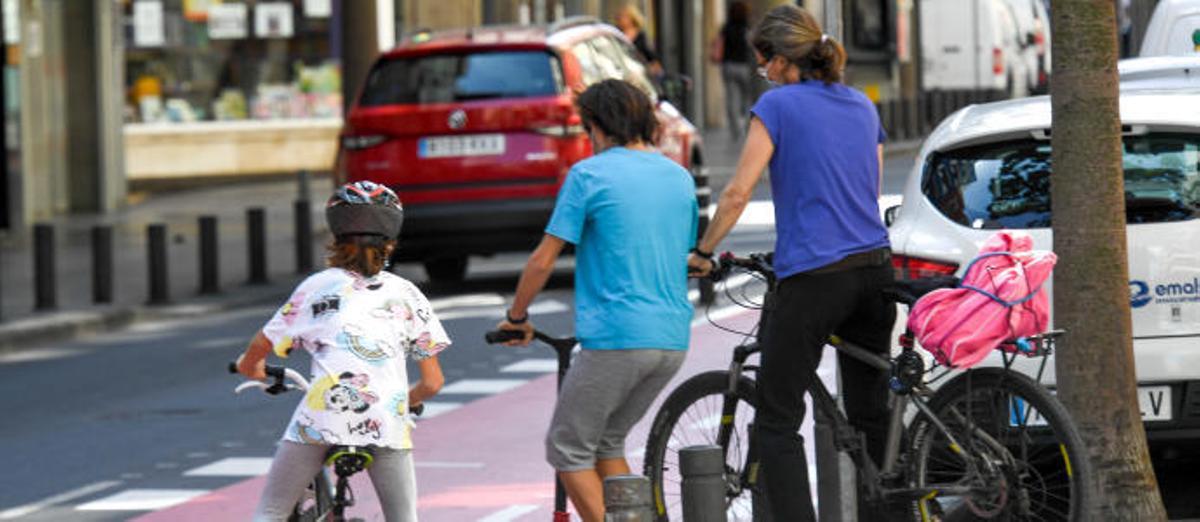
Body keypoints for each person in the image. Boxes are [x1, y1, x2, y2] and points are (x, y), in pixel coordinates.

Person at [686, 5, 896, 521]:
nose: (763, 72)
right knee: (870, 415)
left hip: (816, 278)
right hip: (875, 271)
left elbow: (737, 194)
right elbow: (868, 187)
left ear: (780, 60)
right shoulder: (861, 105)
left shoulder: (776, 105)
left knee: (777, 420)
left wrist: (704, 252)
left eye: (763, 63)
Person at [497, 79, 697, 522]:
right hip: (672, 338)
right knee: (607, 442)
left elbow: (543, 260)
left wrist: (516, 316)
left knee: (567, 447)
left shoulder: (589, 175)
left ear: (597, 125)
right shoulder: (678, 176)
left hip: (618, 335)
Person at [236, 181, 449, 522]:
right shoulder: (408, 294)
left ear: (335, 237)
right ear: (390, 243)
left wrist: (250, 367)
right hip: (385, 421)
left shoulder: (315, 287)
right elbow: (433, 383)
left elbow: (260, 347)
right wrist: (403, 401)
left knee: (271, 512)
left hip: (322, 418)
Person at [710, 1, 755, 142]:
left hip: (729, 66)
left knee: (732, 99)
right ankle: (748, 127)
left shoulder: (726, 28)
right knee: (747, 99)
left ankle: (735, 131)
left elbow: (718, 44)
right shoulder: (747, 27)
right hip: (745, 66)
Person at [614, 4, 663, 76]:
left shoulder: (640, 35)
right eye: (619, 17)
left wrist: (654, 65)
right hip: (620, 69)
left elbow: (647, 51)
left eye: (624, 17)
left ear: (632, 18)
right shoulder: (616, 33)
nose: (621, 19)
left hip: (638, 70)